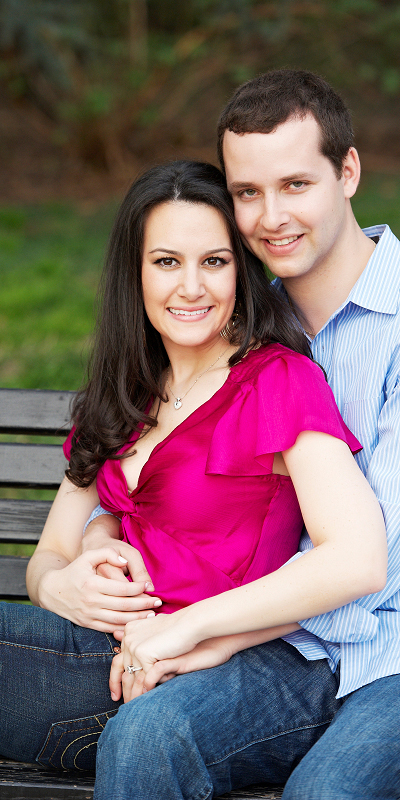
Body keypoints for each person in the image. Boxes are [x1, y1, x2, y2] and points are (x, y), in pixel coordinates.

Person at [0, 159, 385, 777]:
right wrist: (64, 584)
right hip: (94, 661)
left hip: (223, 671)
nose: (191, 287)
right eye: (167, 261)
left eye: (213, 262)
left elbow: (357, 556)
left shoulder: (277, 381)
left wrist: (183, 629)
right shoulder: (127, 392)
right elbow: (51, 554)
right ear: (134, 274)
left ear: (241, 272)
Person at [92, 70, 400, 800]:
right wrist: (95, 548)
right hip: (284, 652)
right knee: (144, 739)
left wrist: (201, 631)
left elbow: (369, 557)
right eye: (247, 193)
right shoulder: (241, 321)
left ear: (348, 171)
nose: (270, 218)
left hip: (386, 656)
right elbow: (154, 457)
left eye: (296, 185)